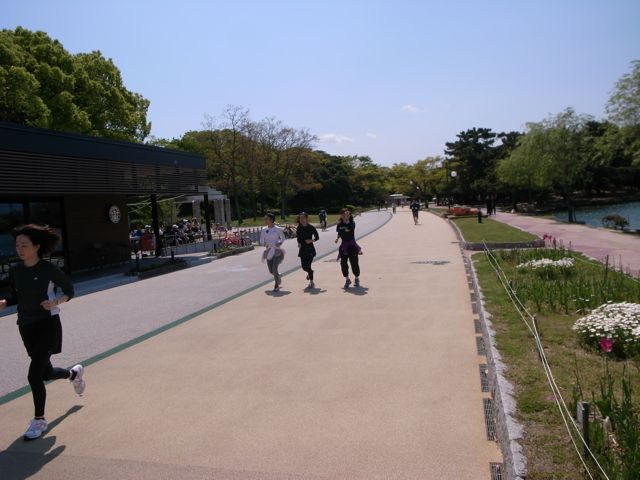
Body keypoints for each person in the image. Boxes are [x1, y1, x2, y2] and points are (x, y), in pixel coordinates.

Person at [0, 224, 85, 441]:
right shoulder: (16, 270)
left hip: (48, 324)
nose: (19, 249)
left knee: (33, 375)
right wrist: (5, 302)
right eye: (17, 245)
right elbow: (15, 296)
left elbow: (69, 290)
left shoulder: (48, 269)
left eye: (24, 245)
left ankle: (39, 420)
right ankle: (73, 374)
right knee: (45, 373)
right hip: (26, 326)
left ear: (36, 246)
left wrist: (56, 301)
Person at [334, 208, 362, 288]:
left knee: (354, 263)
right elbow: (339, 232)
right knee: (343, 263)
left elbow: (351, 228)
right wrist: (337, 238)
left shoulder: (352, 223)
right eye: (342, 214)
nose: (344, 215)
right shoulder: (339, 224)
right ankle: (347, 279)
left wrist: (347, 221)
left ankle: (356, 278)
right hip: (344, 246)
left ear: (349, 215)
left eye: (346, 214)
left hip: (352, 246)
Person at [259, 213, 286, 291]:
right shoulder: (264, 229)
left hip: (277, 251)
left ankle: (276, 285)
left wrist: (279, 243)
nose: (265, 220)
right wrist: (265, 244)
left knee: (274, 268)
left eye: (266, 219)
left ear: (271, 220)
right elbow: (261, 240)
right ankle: (278, 276)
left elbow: (283, 237)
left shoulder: (278, 229)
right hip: (268, 251)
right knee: (271, 270)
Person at [296, 212, 320, 290]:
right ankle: (310, 272)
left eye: (303, 218)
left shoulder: (311, 227)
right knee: (304, 267)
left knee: (308, 266)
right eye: (300, 218)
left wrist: (311, 240)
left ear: (307, 219)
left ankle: (311, 282)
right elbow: (298, 238)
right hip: (302, 249)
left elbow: (317, 237)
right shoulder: (299, 228)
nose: (302, 220)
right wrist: (299, 243)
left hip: (310, 250)